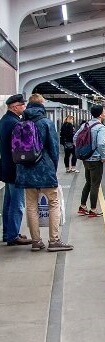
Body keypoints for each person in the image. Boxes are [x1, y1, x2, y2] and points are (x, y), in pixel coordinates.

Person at [15, 94, 73, 252]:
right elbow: (54, 150)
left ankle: (36, 241)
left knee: (31, 206)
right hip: (44, 170)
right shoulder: (46, 123)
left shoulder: (21, 122)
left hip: (25, 171)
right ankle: (54, 241)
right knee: (53, 203)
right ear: (42, 105)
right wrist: (53, 170)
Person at [0, 94, 32, 246]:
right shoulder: (15, 123)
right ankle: (13, 236)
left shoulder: (4, 121)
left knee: (8, 203)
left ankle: (7, 233)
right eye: (22, 105)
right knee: (17, 204)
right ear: (14, 107)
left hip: (6, 167)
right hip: (15, 169)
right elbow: (20, 148)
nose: (24, 107)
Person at [75, 104, 105, 218]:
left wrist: (83, 151)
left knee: (88, 182)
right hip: (96, 160)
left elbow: (75, 138)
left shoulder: (85, 124)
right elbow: (101, 144)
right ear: (101, 114)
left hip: (86, 158)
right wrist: (103, 157)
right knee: (95, 185)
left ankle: (82, 207)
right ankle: (93, 209)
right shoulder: (101, 127)